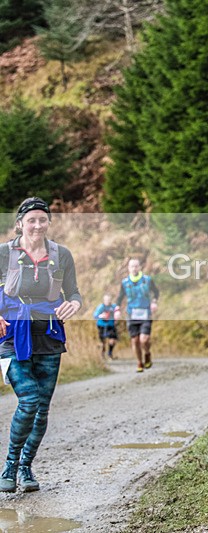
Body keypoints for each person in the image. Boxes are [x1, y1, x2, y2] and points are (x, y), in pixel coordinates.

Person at [0, 197, 82, 493]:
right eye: (31, 219)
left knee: (42, 409)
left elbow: (73, 292)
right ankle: (10, 464)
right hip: (11, 337)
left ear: (49, 223)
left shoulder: (61, 254)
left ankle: (26, 467)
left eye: (42, 219)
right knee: (30, 399)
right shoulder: (3, 253)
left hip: (48, 337)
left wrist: (73, 303)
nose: (37, 225)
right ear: (19, 223)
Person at [114, 258, 159, 373]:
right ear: (128, 268)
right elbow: (120, 297)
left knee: (144, 340)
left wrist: (154, 302)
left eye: (136, 266)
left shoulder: (147, 280)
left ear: (140, 267)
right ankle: (140, 362)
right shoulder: (125, 283)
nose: (134, 268)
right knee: (135, 341)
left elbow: (156, 292)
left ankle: (147, 353)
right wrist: (117, 309)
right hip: (132, 314)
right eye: (132, 266)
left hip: (145, 313)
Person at [93, 293, 118, 360]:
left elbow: (117, 312)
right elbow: (95, 316)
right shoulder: (101, 307)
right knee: (103, 342)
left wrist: (117, 317)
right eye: (106, 300)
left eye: (109, 300)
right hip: (102, 326)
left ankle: (110, 353)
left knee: (113, 341)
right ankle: (102, 355)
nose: (108, 301)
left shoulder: (113, 306)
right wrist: (101, 316)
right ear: (104, 300)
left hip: (111, 326)